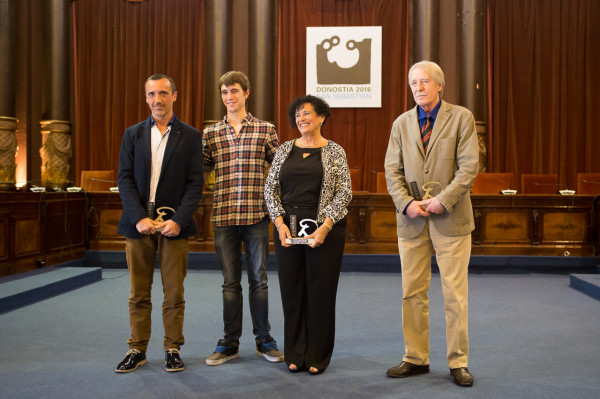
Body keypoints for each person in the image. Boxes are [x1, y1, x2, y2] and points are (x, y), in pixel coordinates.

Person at [384, 61, 479, 387]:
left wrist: (444, 200)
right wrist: (406, 203)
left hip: (450, 219)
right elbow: (391, 170)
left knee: (454, 295)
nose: (419, 87)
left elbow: (469, 167)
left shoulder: (462, 117)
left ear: (440, 85)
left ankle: (458, 362)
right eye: (414, 83)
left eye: (425, 81)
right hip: (411, 222)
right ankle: (415, 358)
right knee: (412, 293)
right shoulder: (401, 123)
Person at [115, 74, 204, 373]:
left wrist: (180, 220)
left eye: (163, 93)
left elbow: (195, 184)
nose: (157, 99)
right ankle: (137, 349)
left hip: (173, 227)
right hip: (138, 226)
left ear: (174, 96)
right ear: (146, 98)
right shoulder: (132, 134)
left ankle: (172, 348)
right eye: (152, 94)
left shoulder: (191, 136)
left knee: (174, 293)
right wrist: (137, 216)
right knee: (138, 293)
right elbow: (124, 179)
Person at [264, 95, 352, 375]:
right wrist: (279, 224)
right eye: (298, 115)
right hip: (287, 230)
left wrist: (325, 226)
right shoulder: (285, 149)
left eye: (307, 114)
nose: (302, 119)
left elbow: (344, 192)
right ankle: (295, 353)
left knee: (320, 292)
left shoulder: (335, 151)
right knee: (292, 293)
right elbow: (270, 189)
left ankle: (317, 355)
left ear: (322, 117)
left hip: (325, 232)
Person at [203, 71, 283, 365]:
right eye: (224, 92)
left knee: (259, 281)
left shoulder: (265, 129)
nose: (229, 97)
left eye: (234, 91)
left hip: (256, 215)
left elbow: (279, 172)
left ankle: (264, 340)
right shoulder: (211, 133)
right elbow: (198, 171)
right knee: (229, 283)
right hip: (223, 215)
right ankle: (230, 343)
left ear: (246, 93)